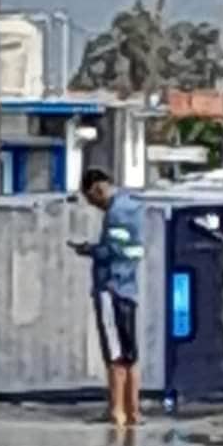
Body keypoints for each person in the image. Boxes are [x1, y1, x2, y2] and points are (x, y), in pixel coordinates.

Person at [73, 168, 144, 427]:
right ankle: (134, 411)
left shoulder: (115, 214)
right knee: (131, 355)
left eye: (92, 200)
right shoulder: (135, 208)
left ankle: (116, 412)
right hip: (130, 290)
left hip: (111, 290)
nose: (95, 206)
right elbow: (132, 250)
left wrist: (87, 249)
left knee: (114, 355)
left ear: (97, 189)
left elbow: (111, 251)